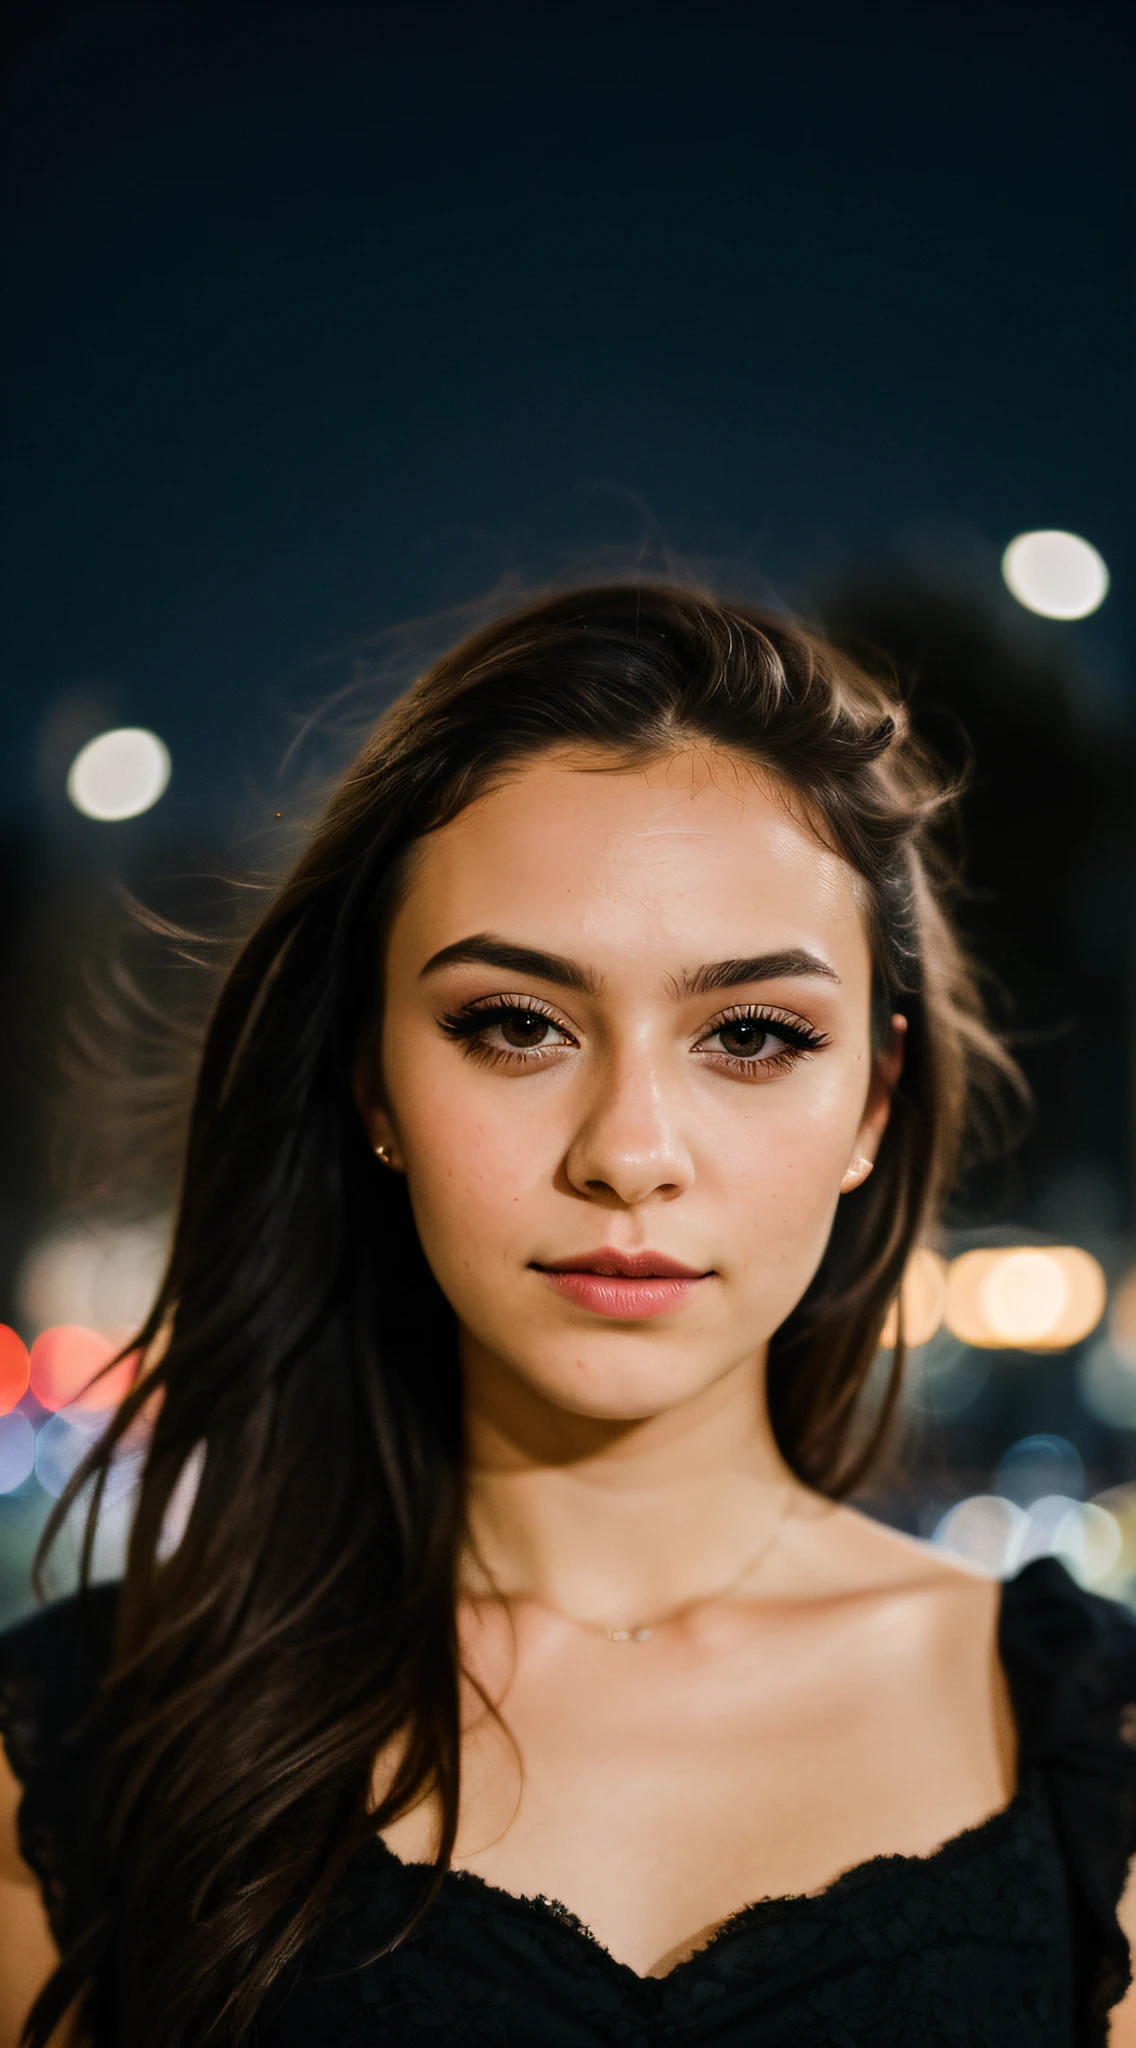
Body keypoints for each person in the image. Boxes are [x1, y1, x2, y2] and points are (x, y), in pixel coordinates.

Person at [1, 583, 1133, 2048]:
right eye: (515, 1024)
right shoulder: (83, 1750)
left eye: (752, 1035)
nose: (630, 1149)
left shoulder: (1088, 1749)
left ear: (872, 1102)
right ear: (372, 1084)